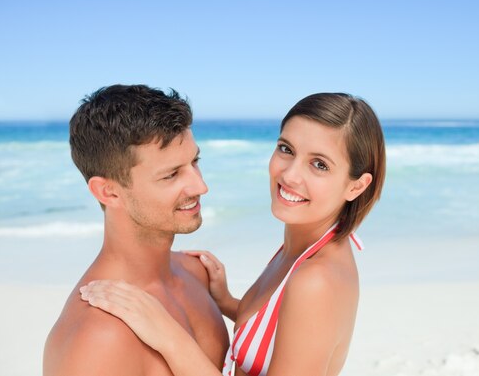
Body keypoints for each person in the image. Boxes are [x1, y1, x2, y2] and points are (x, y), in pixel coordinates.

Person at [80, 92, 386, 376]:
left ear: (356, 186)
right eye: (286, 149)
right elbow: (290, 334)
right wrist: (227, 302)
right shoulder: (301, 246)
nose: (290, 174)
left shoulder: (316, 279)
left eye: (319, 165)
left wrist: (169, 336)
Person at [43, 85, 229, 376]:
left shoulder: (197, 273)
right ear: (108, 192)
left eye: (195, 162)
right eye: (171, 175)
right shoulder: (99, 337)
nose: (200, 186)